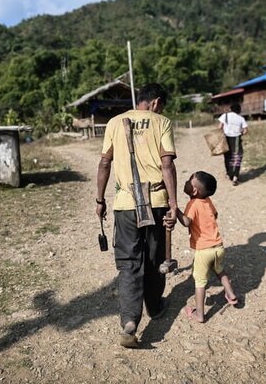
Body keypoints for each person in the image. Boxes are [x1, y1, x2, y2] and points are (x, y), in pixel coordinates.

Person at [95, 83, 178, 348]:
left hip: (125, 203)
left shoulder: (114, 122)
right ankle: (154, 306)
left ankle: (129, 322)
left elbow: (104, 163)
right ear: (155, 102)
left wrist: (99, 200)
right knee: (154, 257)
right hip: (155, 201)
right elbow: (167, 164)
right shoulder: (161, 122)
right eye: (161, 105)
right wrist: (174, 205)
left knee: (129, 262)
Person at [176, 171, 237, 323]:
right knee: (219, 270)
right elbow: (214, 215)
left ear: (194, 190)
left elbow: (187, 222)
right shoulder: (207, 200)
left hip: (204, 251)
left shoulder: (193, 204)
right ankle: (230, 294)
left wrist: (175, 209)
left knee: (200, 282)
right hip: (218, 247)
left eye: (189, 180)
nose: (186, 182)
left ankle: (200, 315)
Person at [219, 103, 248, 186]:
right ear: (239, 110)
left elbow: (219, 127)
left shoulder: (225, 116)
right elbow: (246, 130)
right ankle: (235, 177)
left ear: (231, 109)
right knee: (237, 157)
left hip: (226, 138)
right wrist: (240, 133)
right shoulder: (241, 118)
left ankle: (229, 174)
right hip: (236, 139)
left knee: (227, 157)